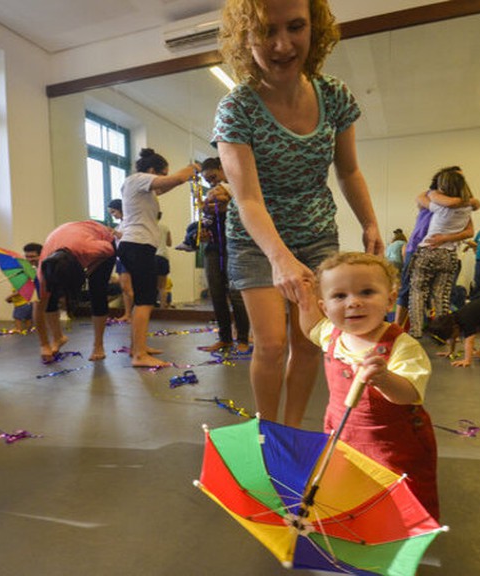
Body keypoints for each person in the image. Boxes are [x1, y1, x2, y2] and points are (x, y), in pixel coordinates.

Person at [215, 0, 383, 426]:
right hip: (257, 240)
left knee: (310, 342)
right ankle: (267, 430)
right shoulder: (237, 108)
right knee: (271, 344)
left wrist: (370, 222)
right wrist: (279, 258)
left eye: (295, 27)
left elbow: (349, 170)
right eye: (266, 32)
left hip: (316, 234)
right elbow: (247, 198)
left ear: (315, 29)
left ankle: (291, 430)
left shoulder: (335, 96)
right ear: (245, 37)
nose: (282, 44)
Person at [295, 252, 438, 519]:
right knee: (348, 488)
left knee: (396, 498)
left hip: (391, 445)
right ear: (325, 307)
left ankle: (398, 536)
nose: (354, 302)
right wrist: (304, 303)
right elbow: (311, 329)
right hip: (342, 434)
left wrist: (384, 379)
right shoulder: (332, 334)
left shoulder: (402, 346)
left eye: (367, 292)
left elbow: (409, 394)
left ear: (390, 300)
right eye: (340, 296)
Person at [118, 148, 199, 368]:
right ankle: (139, 356)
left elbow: (167, 186)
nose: (164, 179)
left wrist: (179, 180)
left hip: (135, 244)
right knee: (145, 300)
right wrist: (193, 167)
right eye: (163, 173)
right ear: (152, 170)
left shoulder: (138, 185)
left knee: (142, 300)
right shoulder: (139, 179)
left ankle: (138, 348)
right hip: (138, 244)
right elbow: (178, 178)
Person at [408, 169, 476, 338]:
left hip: (428, 251)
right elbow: (470, 228)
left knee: (418, 292)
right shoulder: (468, 208)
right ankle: (441, 333)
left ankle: (416, 331)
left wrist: (433, 192)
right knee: (442, 295)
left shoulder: (439, 208)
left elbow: (422, 197)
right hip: (449, 254)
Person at [35, 221, 116, 362]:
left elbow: (110, 249)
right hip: (66, 237)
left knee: (97, 291)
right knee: (49, 297)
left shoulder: (91, 249)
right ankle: (58, 338)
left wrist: (89, 271)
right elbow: (38, 308)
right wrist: (44, 345)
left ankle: (98, 345)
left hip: (101, 239)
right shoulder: (45, 269)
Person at [196, 157, 251, 353]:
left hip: (235, 247)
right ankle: (225, 338)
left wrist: (227, 203)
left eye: (213, 176)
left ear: (223, 168)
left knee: (236, 294)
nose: (211, 182)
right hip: (212, 249)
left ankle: (243, 338)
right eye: (207, 180)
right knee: (217, 294)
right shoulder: (210, 197)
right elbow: (207, 222)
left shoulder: (239, 189)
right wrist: (201, 234)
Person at [427, 296, 480, 367]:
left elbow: (470, 341)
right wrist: (450, 351)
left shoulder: (466, 321)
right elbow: (453, 337)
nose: (454, 338)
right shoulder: (452, 321)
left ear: (455, 328)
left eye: (452, 336)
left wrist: (467, 360)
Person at [5, 242, 42, 332]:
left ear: (41, 255)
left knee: (19, 316)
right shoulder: (27, 271)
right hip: (32, 302)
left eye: (33, 256)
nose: (29, 259)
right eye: (27, 257)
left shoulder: (45, 268)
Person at [108, 198, 134, 323]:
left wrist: (114, 233)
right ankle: (127, 313)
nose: (112, 215)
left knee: (127, 287)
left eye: (113, 212)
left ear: (120, 209)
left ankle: (135, 313)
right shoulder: (120, 224)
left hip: (127, 255)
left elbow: (131, 237)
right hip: (120, 257)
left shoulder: (130, 222)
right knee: (124, 288)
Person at [155, 212, 173, 308]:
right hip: (163, 257)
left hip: (151, 256)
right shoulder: (165, 227)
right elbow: (169, 243)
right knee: (162, 287)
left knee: (149, 285)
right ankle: (163, 309)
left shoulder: (148, 226)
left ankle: (149, 308)